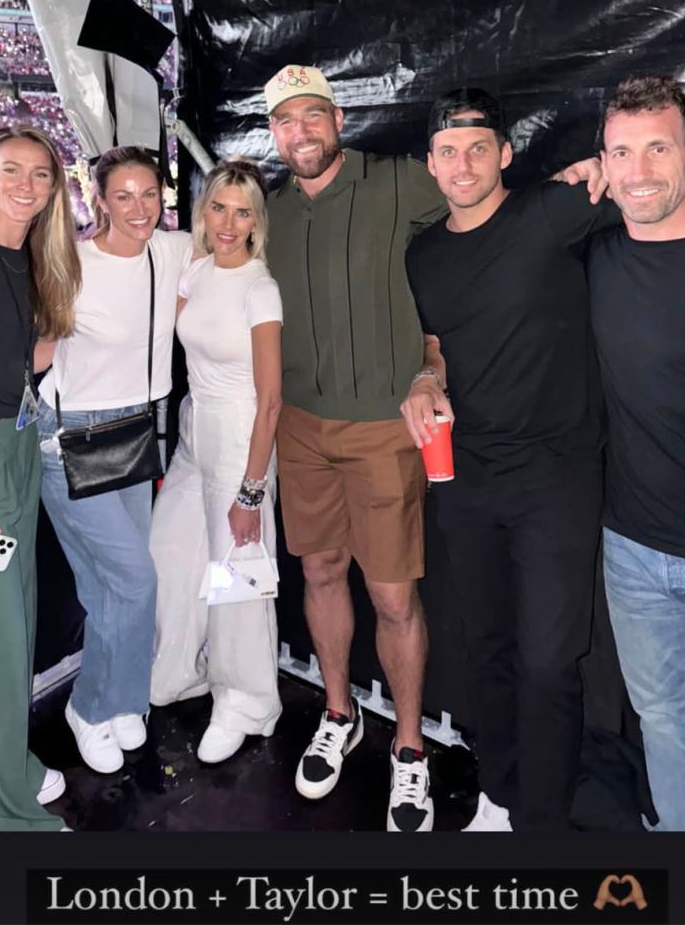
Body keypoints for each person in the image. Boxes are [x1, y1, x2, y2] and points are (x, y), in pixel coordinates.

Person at [400, 86, 685, 831]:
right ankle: (499, 790)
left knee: (549, 663)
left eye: (480, 147)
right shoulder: (422, 254)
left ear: (506, 154)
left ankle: (540, 823)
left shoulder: (550, 211)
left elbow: (664, 189)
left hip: (559, 483)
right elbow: (437, 343)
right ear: (430, 164)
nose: (464, 163)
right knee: (486, 650)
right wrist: (425, 376)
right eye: (448, 151)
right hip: (467, 479)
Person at [264, 64, 447, 831]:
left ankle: (410, 751)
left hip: (382, 430)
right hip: (299, 427)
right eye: (285, 121)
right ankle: (339, 713)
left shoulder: (397, 182)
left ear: (338, 118)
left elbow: (486, 202)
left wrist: (433, 362)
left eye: (313, 116)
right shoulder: (266, 211)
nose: (300, 132)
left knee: (394, 594)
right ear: (272, 132)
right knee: (318, 569)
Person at [588, 76, 685, 830]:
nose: (638, 171)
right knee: (666, 722)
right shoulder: (594, 256)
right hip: (632, 549)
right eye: (621, 152)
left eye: (658, 148)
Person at [37, 146, 193, 774]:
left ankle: (125, 697)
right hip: (72, 433)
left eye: (149, 194)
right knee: (133, 580)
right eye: (122, 196)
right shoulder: (69, 260)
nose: (138, 208)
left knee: (113, 583)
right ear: (97, 198)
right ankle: (92, 705)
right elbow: (37, 352)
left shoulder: (175, 250)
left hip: (136, 428)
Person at [0, 124, 80, 830]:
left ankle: (1, 765)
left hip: (18, 450)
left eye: (42, 174)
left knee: (2, 635)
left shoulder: (26, 260)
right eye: (12, 170)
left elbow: (16, 360)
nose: (27, 186)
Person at [149, 159, 283, 763]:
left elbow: (272, 397)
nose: (228, 222)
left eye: (242, 211)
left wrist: (251, 491)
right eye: (218, 208)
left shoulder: (260, 286)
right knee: (168, 552)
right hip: (192, 431)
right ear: (203, 212)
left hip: (241, 436)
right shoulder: (195, 268)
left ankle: (247, 702)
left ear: (257, 222)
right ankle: (177, 671)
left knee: (237, 578)